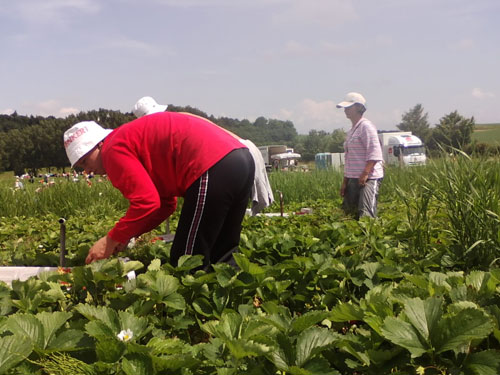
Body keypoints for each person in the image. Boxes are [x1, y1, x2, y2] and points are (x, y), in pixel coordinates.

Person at [63, 112, 255, 269]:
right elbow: (164, 205)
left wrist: (110, 240)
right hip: (241, 158)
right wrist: (127, 234)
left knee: (186, 262)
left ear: (99, 144)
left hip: (211, 164)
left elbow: (146, 202)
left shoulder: (112, 149)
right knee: (223, 253)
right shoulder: (128, 138)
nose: (87, 171)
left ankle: (189, 314)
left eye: (85, 161)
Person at [133, 96, 274, 215]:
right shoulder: (182, 117)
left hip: (229, 155)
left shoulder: (170, 126)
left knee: (202, 227)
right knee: (228, 225)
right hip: (243, 151)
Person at [336, 92, 383, 219]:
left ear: (359, 108)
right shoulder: (352, 130)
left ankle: (369, 236)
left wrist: (365, 174)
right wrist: (345, 182)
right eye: (345, 108)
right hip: (353, 177)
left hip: (369, 177)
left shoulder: (366, 126)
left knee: (366, 214)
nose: (345, 110)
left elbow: (375, 152)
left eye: (349, 107)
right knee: (349, 212)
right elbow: (349, 158)